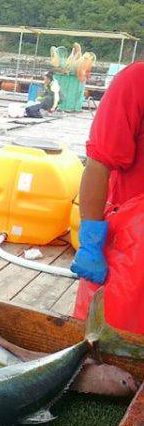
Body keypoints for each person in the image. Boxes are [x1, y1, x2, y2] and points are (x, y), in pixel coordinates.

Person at [71, 61, 144, 333]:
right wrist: (90, 243)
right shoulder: (136, 81)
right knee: (105, 341)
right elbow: (98, 164)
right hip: (133, 251)